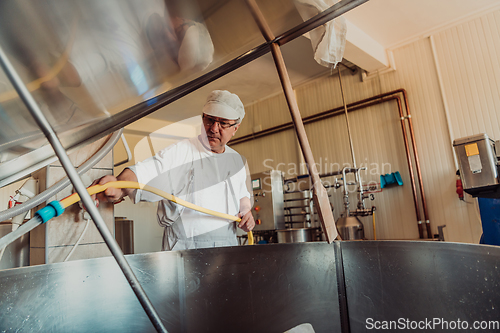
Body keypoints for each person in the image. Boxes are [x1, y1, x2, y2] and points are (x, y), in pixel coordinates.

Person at [92, 90, 255, 251]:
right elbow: (148, 170)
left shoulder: (237, 161)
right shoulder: (182, 150)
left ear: (235, 127)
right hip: (186, 248)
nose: (213, 128)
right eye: (209, 120)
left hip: (226, 247)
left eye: (223, 123)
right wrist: (120, 185)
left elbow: (242, 195)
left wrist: (246, 212)